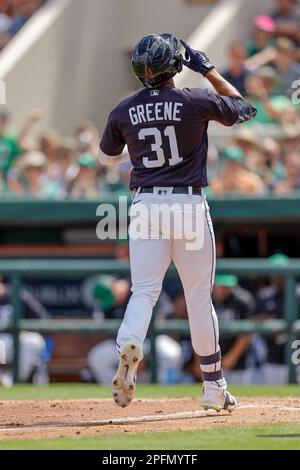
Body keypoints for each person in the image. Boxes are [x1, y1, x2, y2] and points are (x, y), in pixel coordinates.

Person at [98, 33, 257, 411]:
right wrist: (208, 69)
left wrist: (137, 157)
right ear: (175, 65)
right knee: (199, 298)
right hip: (186, 205)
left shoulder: (123, 109)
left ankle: (129, 345)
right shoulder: (194, 98)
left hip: (144, 204)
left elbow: (105, 158)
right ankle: (214, 386)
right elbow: (244, 108)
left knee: (144, 291)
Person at [212, 275, 256, 385]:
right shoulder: (208, 300)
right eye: (220, 286)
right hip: (213, 358)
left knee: (241, 396)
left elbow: (247, 333)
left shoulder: (242, 300)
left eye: (226, 286)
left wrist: (232, 357)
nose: (223, 289)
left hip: (238, 361)